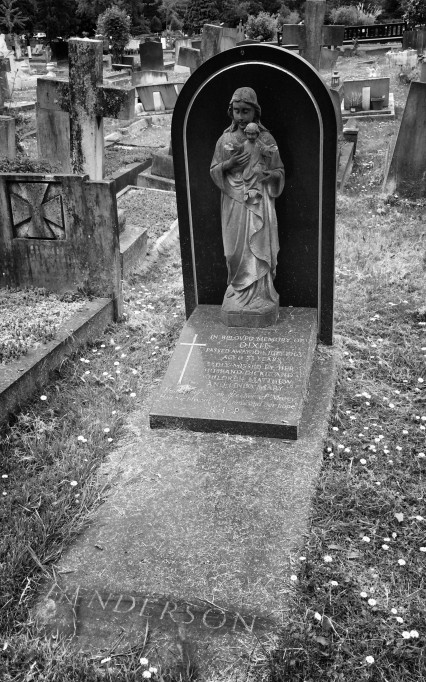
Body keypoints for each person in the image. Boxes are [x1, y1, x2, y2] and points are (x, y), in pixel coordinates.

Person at [210, 87, 285, 327]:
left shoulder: (266, 140)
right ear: (230, 112)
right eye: (236, 111)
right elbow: (214, 170)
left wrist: (268, 175)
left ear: (255, 112)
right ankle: (238, 288)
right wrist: (229, 164)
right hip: (233, 202)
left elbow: (279, 170)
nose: (241, 117)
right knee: (233, 251)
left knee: (258, 246)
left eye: (246, 111)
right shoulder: (225, 140)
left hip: (259, 202)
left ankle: (261, 293)